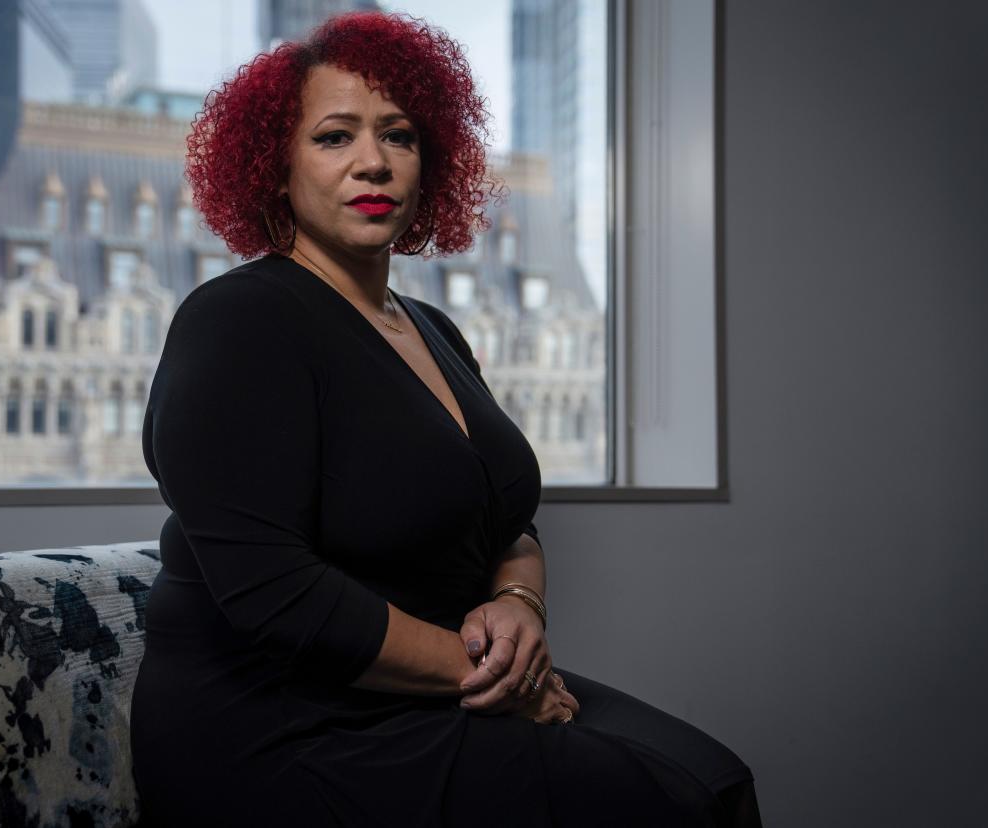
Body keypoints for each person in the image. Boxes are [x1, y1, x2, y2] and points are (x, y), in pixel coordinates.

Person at [130, 10, 761, 827]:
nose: (373, 162)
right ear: (273, 165)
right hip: (281, 729)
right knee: (665, 802)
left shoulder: (433, 328)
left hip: (429, 693)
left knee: (713, 778)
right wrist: (503, 677)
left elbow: (506, 520)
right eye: (334, 137)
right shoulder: (237, 321)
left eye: (398, 135)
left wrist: (520, 605)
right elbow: (275, 598)